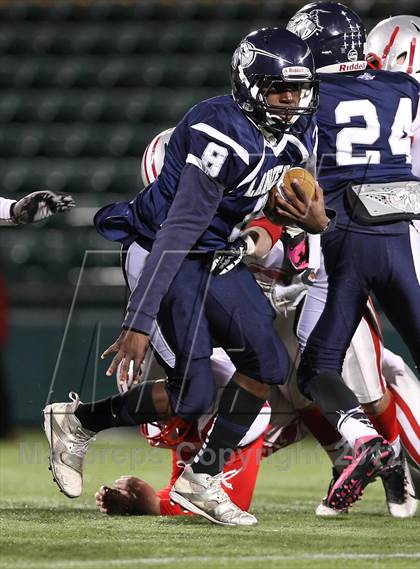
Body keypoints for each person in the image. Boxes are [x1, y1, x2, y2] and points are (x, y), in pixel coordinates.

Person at [43, 27, 327, 526]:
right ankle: (76, 421)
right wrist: (138, 320)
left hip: (211, 251)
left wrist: (289, 227)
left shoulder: (296, 133)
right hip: (162, 249)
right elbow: (180, 227)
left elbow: (272, 207)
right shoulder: (218, 130)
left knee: (265, 361)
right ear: (249, 85)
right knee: (191, 394)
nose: (291, 100)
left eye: (299, 89)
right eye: (279, 89)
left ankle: (202, 479)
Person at [281, 1, 420, 511]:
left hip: (345, 245)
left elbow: (292, 173)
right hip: (400, 242)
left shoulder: (308, 100)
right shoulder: (405, 87)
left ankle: (364, 441)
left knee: (317, 367)